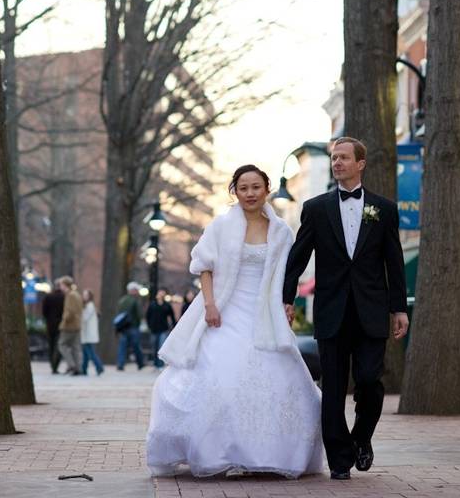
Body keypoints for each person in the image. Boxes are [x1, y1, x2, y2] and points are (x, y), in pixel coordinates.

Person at [146, 165, 323, 478]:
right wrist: (211, 305)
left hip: (264, 310)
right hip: (226, 308)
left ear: (266, 189)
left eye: (256, 187)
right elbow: (204, 267)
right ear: (235, 192)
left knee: (280, 379)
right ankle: (218, 452)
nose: (250, 193)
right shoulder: (222, 225)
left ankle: (263, 454)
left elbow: (286, 272)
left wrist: (287, 303)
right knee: (222, 377)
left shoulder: (280, 230)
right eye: (243, 188)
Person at [283, 137, 408, 481]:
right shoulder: (316, 208)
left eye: (343, 158)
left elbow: (393, 262)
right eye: (334, 158)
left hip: (371, 310)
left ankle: (361, 438)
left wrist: (399, 307)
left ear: (360, 163)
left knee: (370, 380)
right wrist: (287, 297)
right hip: (331, 310)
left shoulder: (383, 209)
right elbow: (298, 256)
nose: (337, 162)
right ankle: (339, 459)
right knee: (334, 386)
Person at [57, 276, 84, 375]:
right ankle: (78, 368)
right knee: (76, 347)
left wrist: (63, 322)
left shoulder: (70, 295)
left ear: (65, 285)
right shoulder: (76, 294)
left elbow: (70, 311)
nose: (60, 287)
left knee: (62, 345)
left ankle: (71, 365)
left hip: (69, 325)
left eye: (61, 285)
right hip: (77, 324)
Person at [116, 282, 145, 370]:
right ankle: (140, 363)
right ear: (132, 290)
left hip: (123, 327)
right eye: (136, 290)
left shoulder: (122, 300)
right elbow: (139, 314)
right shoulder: (135, 301)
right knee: (136, 346)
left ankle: (120, 364)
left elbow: (118, 313)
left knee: (122, 346)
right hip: (133, 326)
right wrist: (139, 323)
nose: (137, 292)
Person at [146, 288, 176, 369]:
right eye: (160, 292)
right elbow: (147, 316)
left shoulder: (167, 305)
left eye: (163, 292)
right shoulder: (152, 304)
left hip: (163, 329)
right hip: (153, 329)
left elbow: (172, 317)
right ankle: (155, 364)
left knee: (160, 346)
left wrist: (174, 327)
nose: (161, 294)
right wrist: (149, 325)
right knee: (154, 347)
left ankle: (160, 364)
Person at [41, 282, 65, 374]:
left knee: (51, 346)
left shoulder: (48, 297)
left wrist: (48, 318)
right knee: (58, 346)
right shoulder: (64, 297)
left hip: (50, 324)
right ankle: (55, 365)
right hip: (60, 324)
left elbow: (44, 311)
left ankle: (52, 364)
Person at [81, 288, 105, 376]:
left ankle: (99, 367)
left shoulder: (90, 306)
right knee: (86, 354)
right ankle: (83, 369)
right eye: (83, 295)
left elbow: (84, 318)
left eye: (86, 295)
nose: (84, 297)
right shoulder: (88, 306)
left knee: (91, 353)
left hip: (89, 335)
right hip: (87, 334)